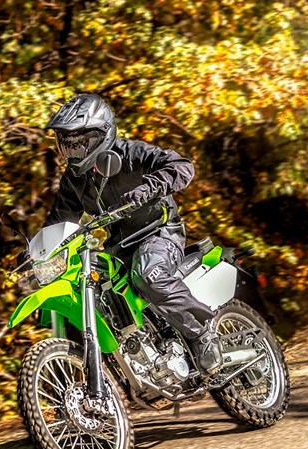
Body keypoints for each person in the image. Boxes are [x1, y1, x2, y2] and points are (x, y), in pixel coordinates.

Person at [41, 93, 222, 376]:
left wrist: (148, 188)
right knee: (90, 287)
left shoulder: (132, 153)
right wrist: (36, 251)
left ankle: (202, 333)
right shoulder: (73, 179)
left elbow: (182, 166)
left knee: (148, 274)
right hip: (118, 246)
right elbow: (60, 219)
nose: (74, 150)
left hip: (159, 232)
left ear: (102, 133)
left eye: (80, 142)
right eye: (68, 144)